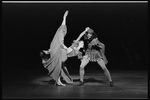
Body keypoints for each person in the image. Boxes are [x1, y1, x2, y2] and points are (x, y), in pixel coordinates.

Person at [40, 10, 73, 86]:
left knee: (61, 67)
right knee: (59, 67)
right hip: (54, 55)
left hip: (55, 53)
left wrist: (64, 17)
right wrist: (67, 48)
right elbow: (61, 44)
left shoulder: (59, 33)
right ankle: (58, 81)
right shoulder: (60, 36)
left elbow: (62, 26)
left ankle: (59, 80)